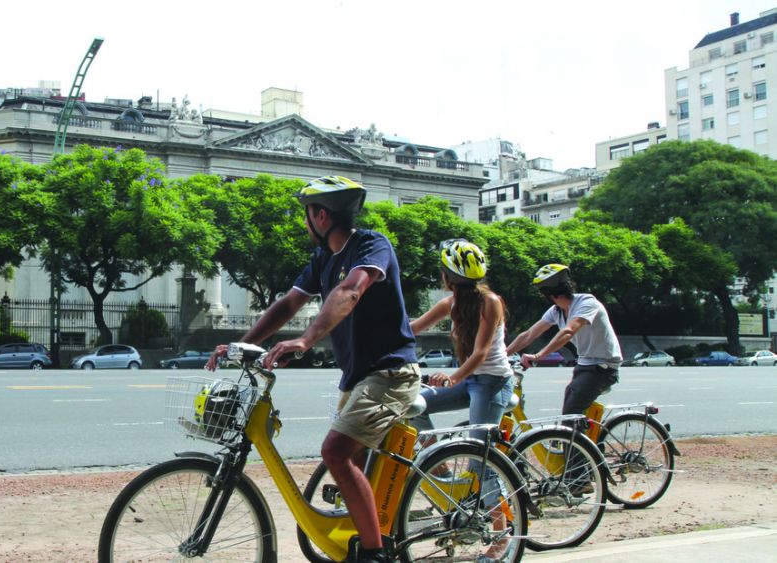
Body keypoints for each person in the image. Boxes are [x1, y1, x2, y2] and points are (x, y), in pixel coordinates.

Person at [205, 175, 420, 563]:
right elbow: (288, 303)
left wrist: (305, 340)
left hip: (391, 373)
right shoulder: (323, 259)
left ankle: (374, 554)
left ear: (320, 216)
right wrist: (247, 343)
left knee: (335, 453)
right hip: (358, 378)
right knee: (347, 463)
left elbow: (350, 291)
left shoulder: (372, 245)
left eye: (306, 215)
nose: (305, 224)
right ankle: (361, 536)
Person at [408, 239, 514, 562]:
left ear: (447, 276)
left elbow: (481, 353)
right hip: (469, 380)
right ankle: (438, 466)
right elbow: (412, 328)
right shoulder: (450, 304)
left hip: (492, 383)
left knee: (480, 459)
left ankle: (502, 534)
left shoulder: (490, 303)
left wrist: (453, 377)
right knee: (415, 405)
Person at [506, 263, 622, 420]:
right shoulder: (556, 311)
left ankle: (574, 444)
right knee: (570, 408)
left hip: (603, 367)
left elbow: (568, 332)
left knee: (571, 412)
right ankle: (579, 441)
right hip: (585, 364)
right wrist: (502, 355)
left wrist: (538, 356)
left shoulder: (587, 303)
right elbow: (529, 334)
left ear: (547, 293)